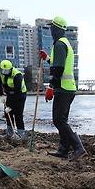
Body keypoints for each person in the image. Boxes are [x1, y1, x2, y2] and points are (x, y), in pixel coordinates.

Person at [39, 16, 86, 161]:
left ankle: (78, 147)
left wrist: (50, 87)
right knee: (62, 119)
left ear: (58, 29)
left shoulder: (59, 44)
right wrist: (47, 58)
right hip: (67, 88)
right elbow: (57, 63)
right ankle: (64, 149)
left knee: (59, 120)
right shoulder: (63, 44)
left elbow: (58, 69)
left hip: (63, 88)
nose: (51, 30)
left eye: (52, 28)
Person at [0, 59, 27, 139]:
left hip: (20, 94)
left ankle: (21, 134)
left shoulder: (17, 75)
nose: (4, 73)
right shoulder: (0, 71)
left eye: (6, 71)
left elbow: (17, 93)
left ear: (11, 69)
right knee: (7, 114)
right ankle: (9, 133)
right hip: (9, 93)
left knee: (18, 114)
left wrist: (11, 107)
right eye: (3, 71)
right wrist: (2, 94)